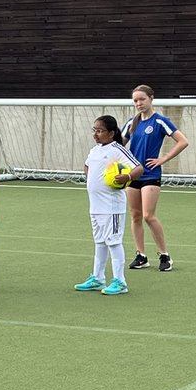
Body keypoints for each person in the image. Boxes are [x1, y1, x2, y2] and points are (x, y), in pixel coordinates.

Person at [121, 84, 189, 272]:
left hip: (151, 174)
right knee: (135, 215)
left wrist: (164, 158)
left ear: (151, 98)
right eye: (135, 100)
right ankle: (141, 255)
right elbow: (118, 145)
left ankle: (164, 254)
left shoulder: (160, 121)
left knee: (148, 215)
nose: (139, 103)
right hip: (133, 173)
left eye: (142, 99)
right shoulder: (131, 123)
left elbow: (183, 141)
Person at [75, 115, 144, 295]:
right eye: (94, 130)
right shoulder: (95, 150)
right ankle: (98, 278)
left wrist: (127, 177)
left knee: (113, 241)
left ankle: (120, 282)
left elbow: (138, 167)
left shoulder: (117, 149)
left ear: (111, 133)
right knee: (99, 241)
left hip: (112, 207)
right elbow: (87, 166)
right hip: (95, 206)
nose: (95, 134)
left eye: (100, 131)